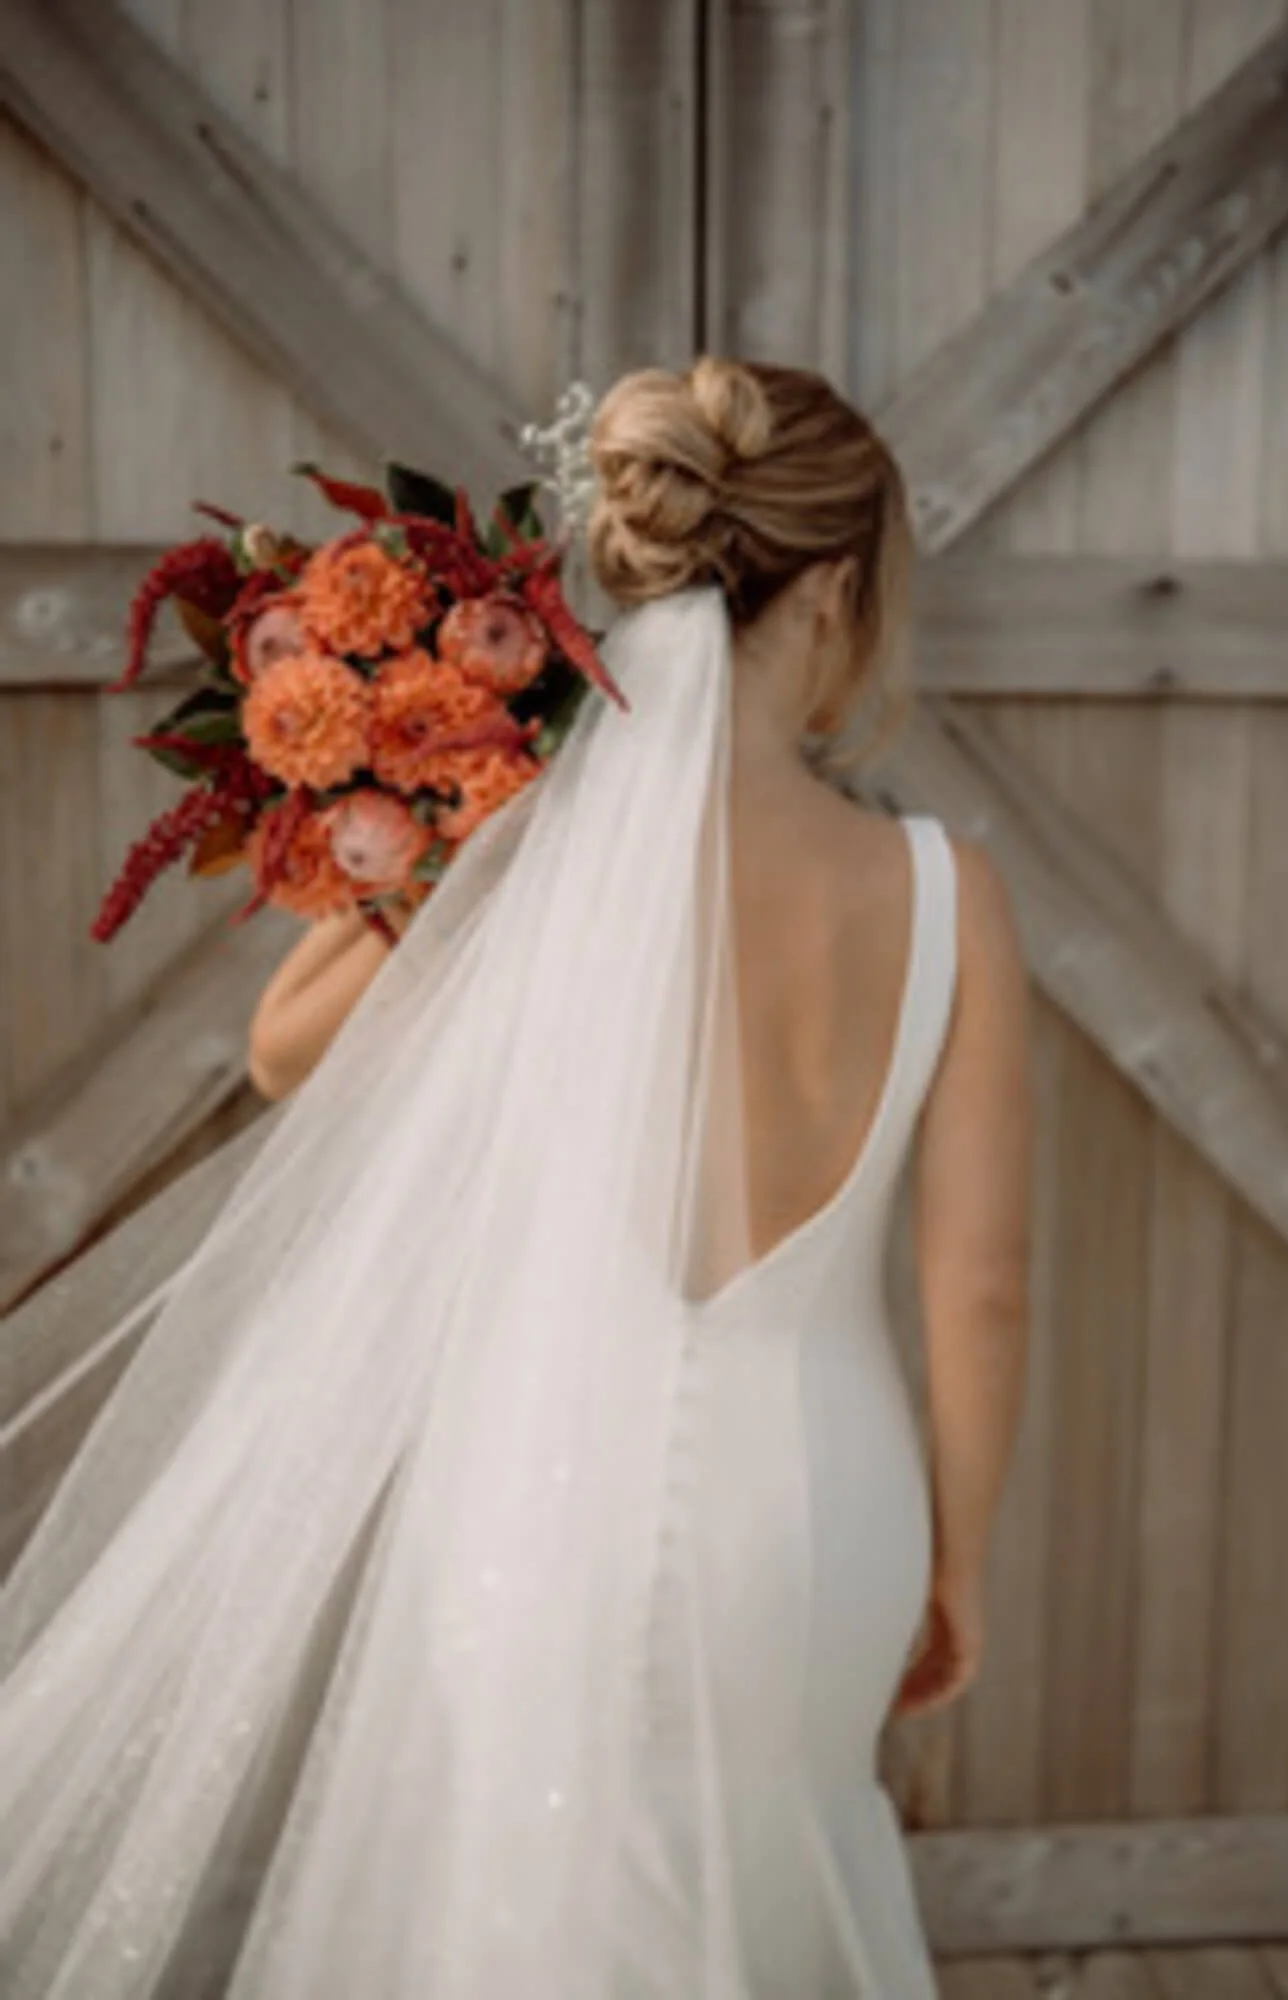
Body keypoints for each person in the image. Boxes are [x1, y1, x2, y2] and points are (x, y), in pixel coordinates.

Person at [0, 357, 1031, 1997]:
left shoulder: (535, 836)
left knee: (510, 1909)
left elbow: (284, 1055)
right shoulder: (944, 891)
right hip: (818, 1510)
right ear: (837, 583)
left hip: (545, 1466)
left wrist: (441, 798)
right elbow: (977, 1284)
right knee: (779, 1888)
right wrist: (956, 1563)